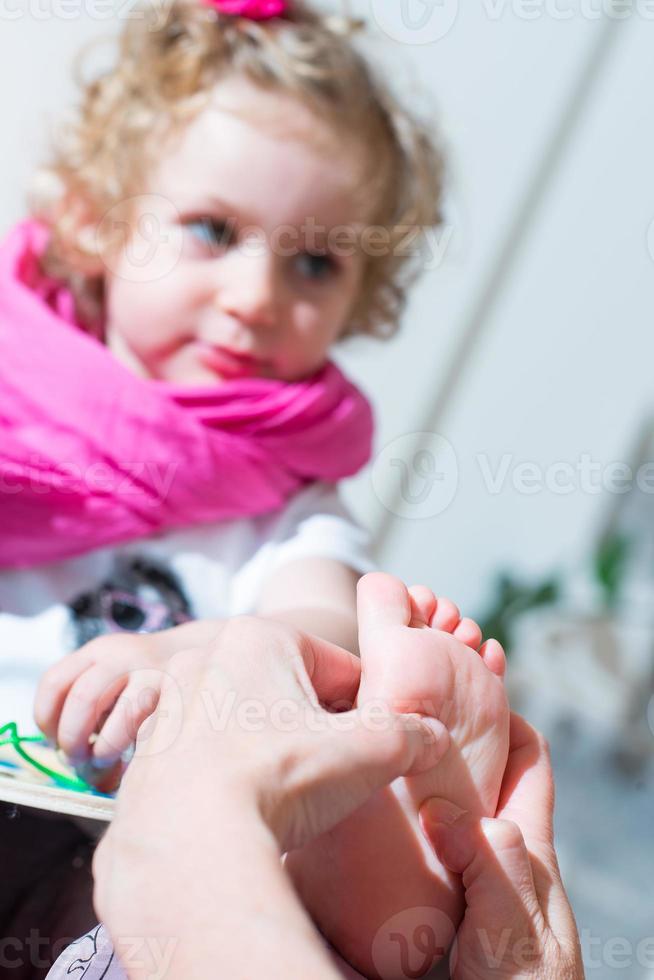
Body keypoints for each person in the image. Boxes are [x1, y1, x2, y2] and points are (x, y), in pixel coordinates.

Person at [0, 0, 442, 971]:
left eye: (315, 262)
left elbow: (324, 635)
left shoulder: (288, 498)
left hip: (116, 840)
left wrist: (216, 653)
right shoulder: (10, 389)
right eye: (212, 229)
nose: (255, 295)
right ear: (96, 220)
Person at [46, 574, 584, 979]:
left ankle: (352, 895)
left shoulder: (293, 509)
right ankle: (366, 904)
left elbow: (320, 607)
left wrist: (176, 650)